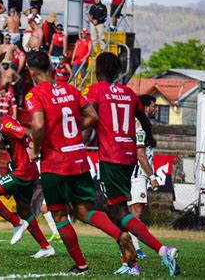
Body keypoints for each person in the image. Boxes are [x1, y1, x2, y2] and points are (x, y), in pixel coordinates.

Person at [25, 51, 138, 275]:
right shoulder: (70, 89)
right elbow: (93, 117)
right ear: (50, 66)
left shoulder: (34, 94)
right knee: (84, 211)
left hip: (55, 162)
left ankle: (81, 265)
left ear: (31, 71)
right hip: (78, 158)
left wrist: (36, 150)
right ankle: (119, 235)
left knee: (59, 216)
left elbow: (37, 125)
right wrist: (74, 132)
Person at [86, 52, 180, 276]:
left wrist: (76, 141)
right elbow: (144, 119)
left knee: (116, 213)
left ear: (98, 70)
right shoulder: (128, 93)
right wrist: (149, 137)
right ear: (118, 72)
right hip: (128, 156)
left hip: (111, 156)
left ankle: (162, 250)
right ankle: (131, 264)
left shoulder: (97, 91)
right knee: (118, 210)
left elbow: (88, 117)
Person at [0, 101, 55, 258]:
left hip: (22, 171)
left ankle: (16, 223)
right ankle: (46, 247)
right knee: (24, 210)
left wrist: (37, 150)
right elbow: (4, 143)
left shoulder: (6, 125)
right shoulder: (5, 121)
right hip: (28, 170)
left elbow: (29, 132)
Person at [124, 94, 160, 260]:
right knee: (136, 212)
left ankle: (132, 247)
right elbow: (141, 156)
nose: (156, 109)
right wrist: (152, 176)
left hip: (137, 175)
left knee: (132, 213)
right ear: (145, 107)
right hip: (137, 175)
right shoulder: (139, 125)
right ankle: (135, 249)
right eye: (154, 105)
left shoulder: (143, 124)